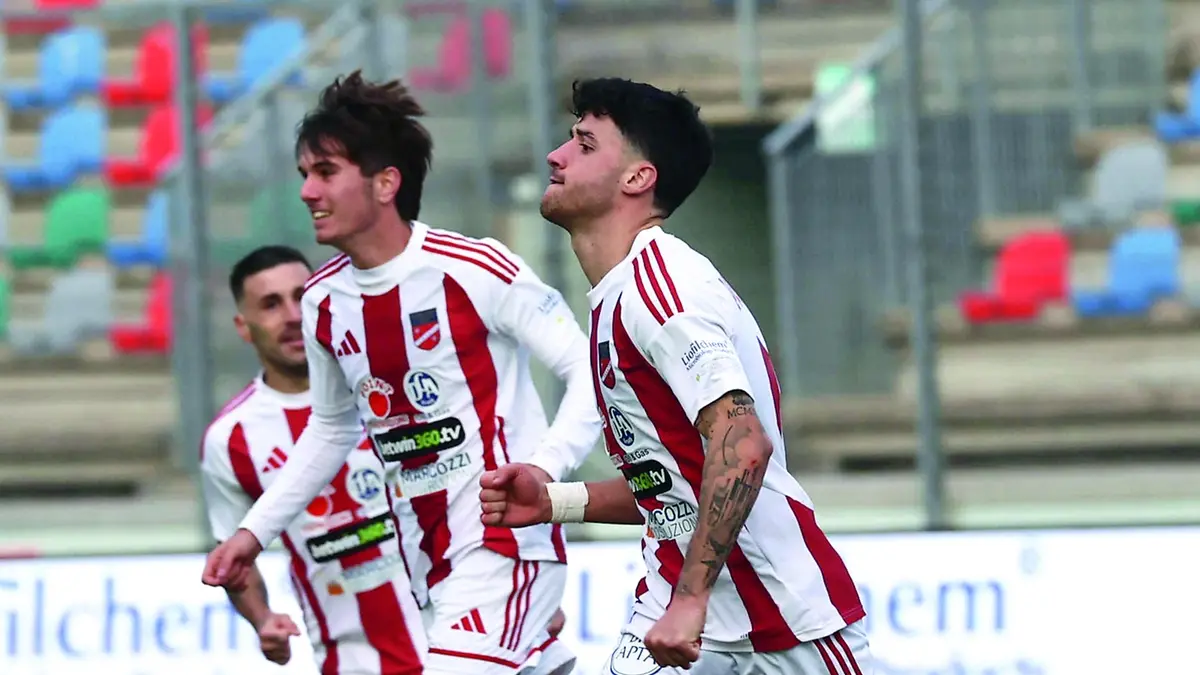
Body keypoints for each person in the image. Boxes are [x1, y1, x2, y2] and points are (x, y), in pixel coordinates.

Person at [200, 71, 600, 675]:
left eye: (325, 172)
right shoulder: (324, 302)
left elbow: (590, 371)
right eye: (304, 174)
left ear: (386, 182)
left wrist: (544, 469)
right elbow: (332, 430)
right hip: (427, 563)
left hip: (503, 545)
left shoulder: (474, 267)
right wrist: (252, 534)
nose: (307, 191)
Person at [478, 78, 873, 675]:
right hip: (675, 615)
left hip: (782, 624)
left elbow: (743, 447)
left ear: (638, 178)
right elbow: (672, 487)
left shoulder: (660, 287)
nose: (557, 156)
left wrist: (691, 600)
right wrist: (553, 501)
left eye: (584, 144)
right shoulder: (617, 296)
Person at [200, 245, 426, 674]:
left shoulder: (389, 381)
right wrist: (262, 620)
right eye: (271, 304)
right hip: (352, 662)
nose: (292, 316)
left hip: (461, 639)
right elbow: (234, 557)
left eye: (301, 297)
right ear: (243, 326)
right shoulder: (230, 439)